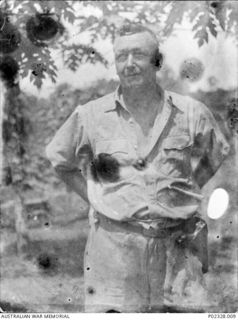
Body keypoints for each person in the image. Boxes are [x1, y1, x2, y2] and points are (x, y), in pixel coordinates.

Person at [46, 23, 230, 312]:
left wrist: (187, 187)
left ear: (156, 61)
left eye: (138, 55)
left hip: (176, 249)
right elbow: (60, 161)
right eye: (122, 56)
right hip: (113, 253)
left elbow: (217, 150)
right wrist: (95, 197)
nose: (129, 64)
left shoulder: (191, 112)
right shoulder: (90, 115)